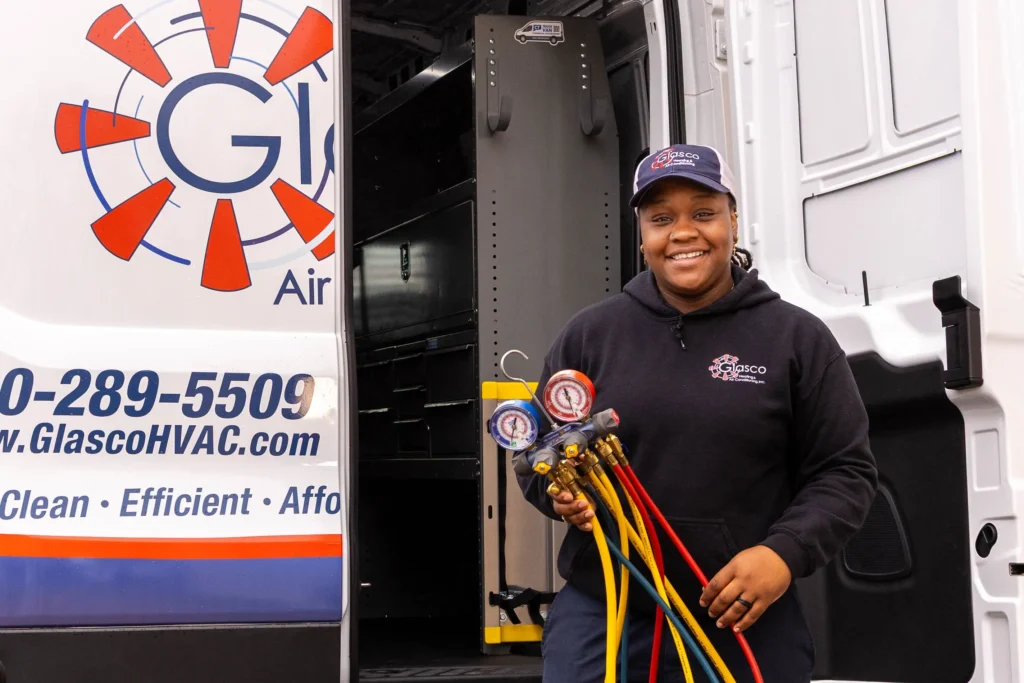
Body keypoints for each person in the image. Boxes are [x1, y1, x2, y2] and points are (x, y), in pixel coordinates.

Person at [517, 144, 878, 682]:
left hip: (741, 612)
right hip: (608, 612)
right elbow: (535, 455)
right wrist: (559, 493)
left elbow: (845, 473)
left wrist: (782, 555)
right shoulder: (591, 336)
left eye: (703, 213)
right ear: (642, 236)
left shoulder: (796, 339)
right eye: (661, 219)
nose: (683, 232)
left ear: (733, 219)